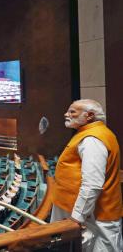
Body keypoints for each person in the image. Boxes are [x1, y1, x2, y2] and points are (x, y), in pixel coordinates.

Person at [51, 99, 122, 252]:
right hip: (87, 213)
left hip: (94, 215)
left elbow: (92, 184)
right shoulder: (91, 133)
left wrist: (76, 218)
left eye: (72, 112)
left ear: (89, 115)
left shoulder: (92, 139)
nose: (66, 114)